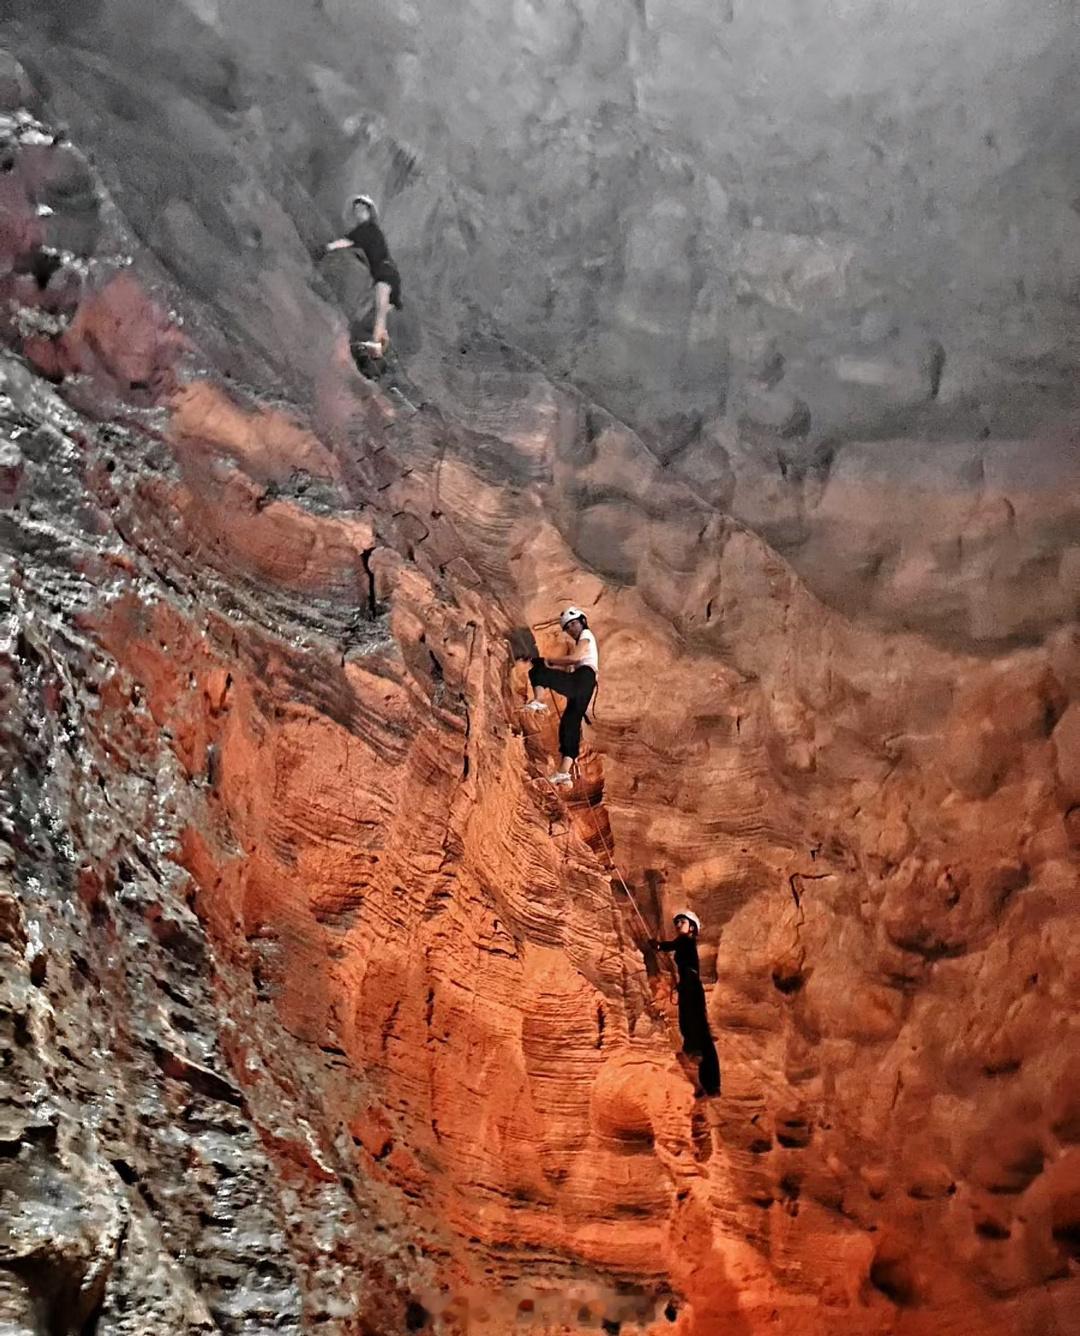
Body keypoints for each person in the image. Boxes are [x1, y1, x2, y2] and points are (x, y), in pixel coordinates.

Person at [319, 194, 403, 358]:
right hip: (389, 275)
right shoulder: (371, 231)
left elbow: (347, 241)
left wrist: (327, 247)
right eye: (356, 210)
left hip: (385, 274)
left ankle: (376, 348)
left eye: (361, 210)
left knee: (379, 310)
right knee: (378, 311)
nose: (358, 213)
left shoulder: (366, 229)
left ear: (368, 212)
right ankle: (383, 351)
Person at [524, 606, 598, 786]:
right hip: (586, 685)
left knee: (538, 671)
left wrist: (547, 662)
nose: (571, 629)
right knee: (569, 725)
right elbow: (569, 667)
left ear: (582, 622)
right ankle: (563, 773)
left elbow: (574, 658)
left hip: (584, 678)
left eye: (573, 624)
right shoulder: (583, 640)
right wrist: (555, 666)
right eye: (567, 627)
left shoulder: (586, 635)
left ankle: (538, 702)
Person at [654, 911, 710, 1060]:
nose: (678, 925)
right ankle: (693, 1047)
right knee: (687, 1016)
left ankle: (695, 1048)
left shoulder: (686, 941)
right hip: (688, 982)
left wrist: (659, 946)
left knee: (690, 1015)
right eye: (677, 923)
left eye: (682, 922)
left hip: (690, 982)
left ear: (692, 927)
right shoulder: (685, 943)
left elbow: (673, 945)